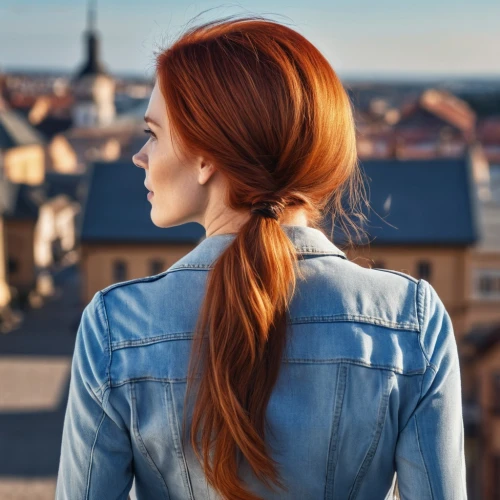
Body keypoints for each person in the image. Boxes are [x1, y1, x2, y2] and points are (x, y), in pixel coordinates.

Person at [55, 14, 467, 500]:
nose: (139, 156)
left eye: (152, 134)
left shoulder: (116, 327)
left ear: (206, 156)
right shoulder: (410, 324)